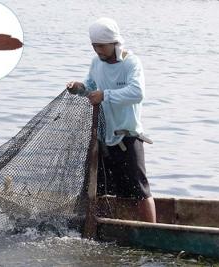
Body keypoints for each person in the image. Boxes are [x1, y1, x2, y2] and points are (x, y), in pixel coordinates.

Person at [67, 17, 156, 223]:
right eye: (94, 46)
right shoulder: (96, 63)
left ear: (114, 43)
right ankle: (103, 226)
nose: (98, 50)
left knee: (140, 191)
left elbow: (137, 93)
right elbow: (91, 89)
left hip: (127, 138)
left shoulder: (131, 63)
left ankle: (153, 231)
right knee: (99, 189)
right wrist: (78, 88)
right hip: (103, 138)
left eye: (101, 46)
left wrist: (105, 95)